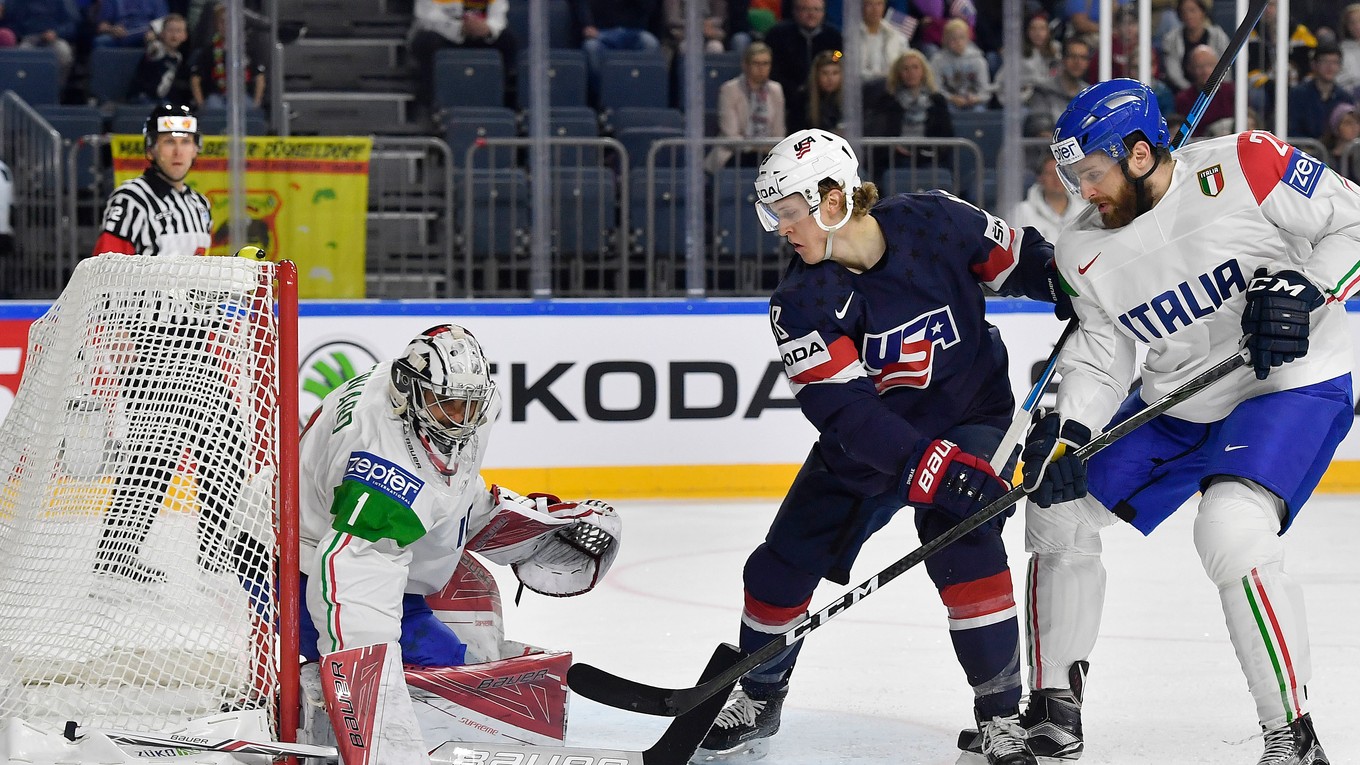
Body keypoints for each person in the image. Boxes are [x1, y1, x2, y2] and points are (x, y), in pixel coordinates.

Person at [692, 128, 1070, 765]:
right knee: (779, 565)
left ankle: (1001, 718)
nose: (781, 230)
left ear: (833, 200)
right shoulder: (800, 301)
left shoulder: (940, 221)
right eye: (774, 215)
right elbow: (844, 411)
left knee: (963, 536)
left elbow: (1026, 262)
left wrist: (1071, 284)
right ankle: (759, 695)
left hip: (970, 413)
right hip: (870, 445)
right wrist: (928, 466)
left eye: (788, 213)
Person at [1016, 77, 1356, 764]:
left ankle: (1292, 736)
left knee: (1230, 526)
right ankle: (1055, 705)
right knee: (1057, 512)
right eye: (1075, 177)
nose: (1085, 192)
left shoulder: (1249, 164)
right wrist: (1072, 429)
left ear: (1140, 154)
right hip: (1180, 398)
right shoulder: (1082, 247)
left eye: (1094, 173)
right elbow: (1103, 352)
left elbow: (1352, 222)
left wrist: (1309, 284)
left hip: (1288, 383)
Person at [297, 324, 621, 761]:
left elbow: (444, 492)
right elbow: (353, 577)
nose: (462, 418)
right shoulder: (382, 465)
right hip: (293, 567)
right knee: (433, 667)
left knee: (467, 638)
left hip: (364, 545)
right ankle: (317, 699)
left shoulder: (438, 402)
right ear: (408, 392)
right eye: (448, 404)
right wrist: (369, 708)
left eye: (470, 404)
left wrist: (523, 529)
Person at [90, 103, 229, 584]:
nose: (177, 150)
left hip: (195, 343)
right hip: (148, 344)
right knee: (154, 459)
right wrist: (116, 338)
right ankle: (114, 559)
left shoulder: (199, 203)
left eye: (185, 141)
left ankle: (217, 553)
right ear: (152, 146)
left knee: (223, 446)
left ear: (196, 148)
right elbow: (106, 269)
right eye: (168, 141)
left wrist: (212, 336)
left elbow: (200, 277)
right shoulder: (130, 200)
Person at [408, 0, 518, 113]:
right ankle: (431, 106)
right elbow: (426, 17)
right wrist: (460, 28)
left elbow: (498, 18)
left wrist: (487, 28)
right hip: (443, 34)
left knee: (506, 41)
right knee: (425, 42)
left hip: (480, 34)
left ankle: (499, 103)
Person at [862, 48, 953, 169]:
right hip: (894, 158)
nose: (911, 73)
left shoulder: (937, 100)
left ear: (923, 71)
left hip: (930, 157)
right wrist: (895, 146)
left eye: (915, 67)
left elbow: (946, 133)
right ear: (898, 73)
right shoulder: (888, 100)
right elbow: (880, 132)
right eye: (905, 68)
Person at [705, 40, 785, 173]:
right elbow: (730, 134)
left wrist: (768, 149)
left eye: (766, 64)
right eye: (756, 63)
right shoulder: (729, 89)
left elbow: (778, 132)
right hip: (734, 153)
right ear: (745, 65)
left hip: (767, 154)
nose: (761, 68)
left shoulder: (776, 90)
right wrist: (756, 148)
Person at [764, 0, 841, 128]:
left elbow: (839, 60)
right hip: (788, 100)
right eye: (805, 9)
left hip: (827, 99)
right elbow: (773, 72)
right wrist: (797, 92)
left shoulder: (834, 37)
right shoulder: (777, 36)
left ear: (824, 12)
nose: (811, 14)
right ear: (794, 11)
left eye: (816, 10)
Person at [189, 2, 266, 110]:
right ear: (217, 25)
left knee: (247, 108)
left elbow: (259, 77)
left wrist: (256, 103)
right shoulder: (209, 50)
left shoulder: (249, 49)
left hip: (242, 96)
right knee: (213, 106)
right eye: (222, 22)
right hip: (215, 96)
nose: (226, 26)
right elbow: (195, 79)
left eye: (230, 22)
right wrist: (201, 105)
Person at [1160, 0, 1229, 93]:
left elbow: (1226, 68)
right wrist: (1193, 91)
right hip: (1182, 92)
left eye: (1192, 10)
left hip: (1216, 90)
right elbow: (1173, 73)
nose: (1188, 15)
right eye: (1184, 12)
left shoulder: (1218, 36)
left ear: (1203, 12)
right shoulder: (1171, 39)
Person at [1009, 154, 1081, 242]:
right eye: (1050, 173)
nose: (1056, 179)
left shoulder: (1083, 210)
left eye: (1061, 173)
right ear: (1040, 178)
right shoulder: (1022, 211)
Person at [1288, 43, 1353, 140]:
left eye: (1335, 62)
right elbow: (1292, 129)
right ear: (1314, 64)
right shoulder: (1298, 94)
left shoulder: (1345, 98)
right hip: (1304, 150)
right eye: (1325, 61)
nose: (1330, 67)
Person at [930, 17, 991, 111]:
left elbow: (986, 92)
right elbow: (935, 89)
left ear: (968, 38)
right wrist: (951, 98)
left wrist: (975, 98)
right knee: (945, 110)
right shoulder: (937, 60)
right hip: (949, 102)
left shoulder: (978, 60)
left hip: (974, 102)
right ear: (945, 40)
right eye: (953, 39)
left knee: (979, 111)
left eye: (962, 37)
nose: (958, 42)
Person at [134, 12, 192, 104]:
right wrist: (151, 41)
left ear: (185, 36)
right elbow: (153, 51)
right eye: (170, 30)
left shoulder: (179, 57)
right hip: (145, 96)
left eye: (178, 31)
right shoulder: (158, 49)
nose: (174, 35)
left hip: (163, 98)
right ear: (162, 33)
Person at [850, 0, 908, 80]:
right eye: (870, 4)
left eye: (879, 4)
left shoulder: (896, 35)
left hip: (892, 85)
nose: (875, 9)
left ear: (884, 7)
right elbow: (838, 56)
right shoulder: (851, 36)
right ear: (862, 7)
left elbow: (906, 63)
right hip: (862, 85)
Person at [791, 48, 842, 132]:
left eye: (835, 73)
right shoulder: (802, 99)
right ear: (816, 75)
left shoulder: (849, 101)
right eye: (825, 73)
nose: (830, 78)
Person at [93, 0, 167, 47]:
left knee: (159, 43)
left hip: (147, 34)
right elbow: (101, 26)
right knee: (101, 41)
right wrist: (112, 29)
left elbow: (162, 22)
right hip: (121, 35)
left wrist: (154, 32)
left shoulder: (157, 1)